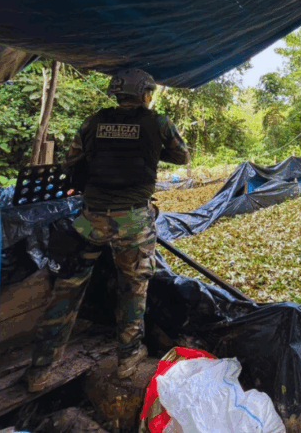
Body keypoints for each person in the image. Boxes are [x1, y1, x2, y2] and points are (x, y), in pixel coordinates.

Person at [25, 68, 189, 392]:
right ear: (144, 94)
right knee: (133, 288)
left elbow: (71, 164)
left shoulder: (92, 122)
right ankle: (128, 360)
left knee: (67, 288)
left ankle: (39, 370)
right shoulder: (157, 123)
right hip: (133, 220)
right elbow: (182, 155)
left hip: (91, 219)